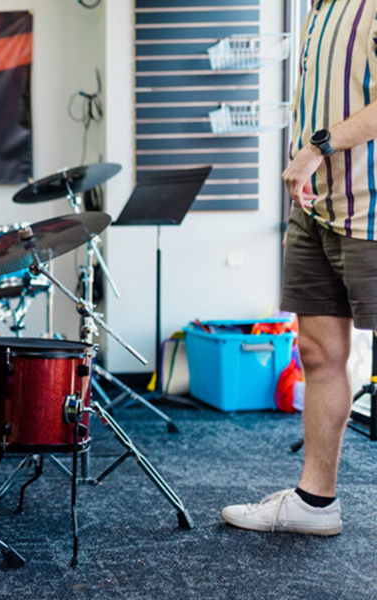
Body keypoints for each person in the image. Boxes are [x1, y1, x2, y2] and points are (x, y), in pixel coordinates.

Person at [222, 0, 377, 536]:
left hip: (371, 211)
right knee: (317, 352)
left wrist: (318, 147)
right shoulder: (315, 9)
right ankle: (316, 504)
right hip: (316, 211)